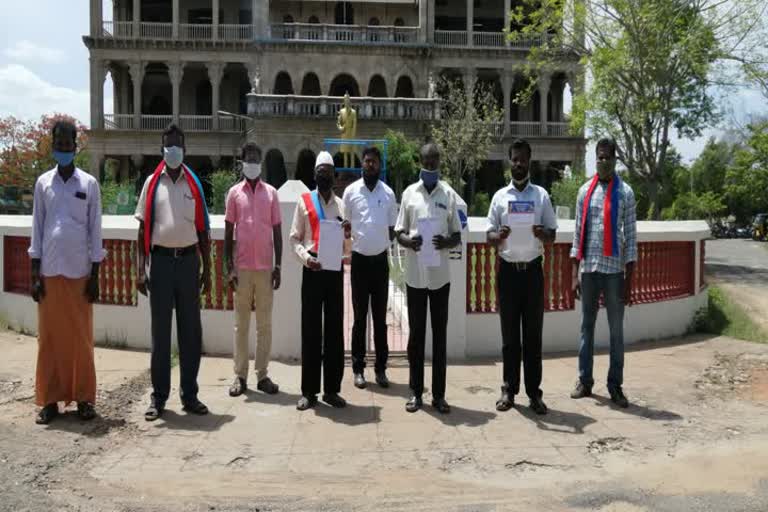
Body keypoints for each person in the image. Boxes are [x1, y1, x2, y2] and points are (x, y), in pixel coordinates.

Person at [28, 120, 105, 425]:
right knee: (48, 339)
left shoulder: (89, 184)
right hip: (49, 270)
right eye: (58, 143)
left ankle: (85, 398)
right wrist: (35, 274)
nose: (62, 148)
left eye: (67, 143)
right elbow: (37, 228)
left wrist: (96, 275)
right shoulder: (42, 184)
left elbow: (95, 230)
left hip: (80, 272)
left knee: (81, 339)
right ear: (53, 145)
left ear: (76, 146)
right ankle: (49, 400)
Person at [135, 124, 212, 421]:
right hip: (162, 264)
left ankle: (189, 395)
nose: (173, 149)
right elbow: (142, 229)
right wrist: (140, 271)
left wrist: (207, 269)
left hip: (190, 262)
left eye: (178, 144)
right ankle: (159, 398)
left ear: (185, 148)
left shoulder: (194, 184)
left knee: (191, 333)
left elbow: (203, 230)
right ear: (161, 149)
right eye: (169, 145)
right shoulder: (152, 184)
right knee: (161, 334)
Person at [486, 139, 557, 415]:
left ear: (529, 160)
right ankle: (508, 390)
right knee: (509, 337)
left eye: (522, 159)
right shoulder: (500, 197)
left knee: (533, 337)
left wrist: (543, 234)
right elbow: (488, 235)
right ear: (509, 161)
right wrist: (498, 236)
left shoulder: (541, 196)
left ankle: (534, 393)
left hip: (532, 273)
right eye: (514, 159)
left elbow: (553, 234)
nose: (518, 163)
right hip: (508, 273)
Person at [395, 143, 462, 414]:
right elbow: (398, 231)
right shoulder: (410, 194)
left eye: (435, 160)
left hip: (440, 278)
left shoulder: (448, 194)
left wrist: (446, 241)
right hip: (415, 278)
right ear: (420, 161)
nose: (431, 165)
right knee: (416, 337)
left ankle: (439, 395)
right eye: (426, 160)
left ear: (440, 162)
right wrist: (410, 242)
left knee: (440, 337)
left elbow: (457, 234)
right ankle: (415, 393)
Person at [570, 138, 637, 408]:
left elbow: (631, 239)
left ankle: (615, 385)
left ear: (615, 160)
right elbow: (577, 236)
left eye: (608, 157)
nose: (603, 161)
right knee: (586, 328)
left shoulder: (626, 193)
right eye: (599, 157)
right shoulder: (585, 191)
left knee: (616, 332)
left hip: (613, 273)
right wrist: (575, 273)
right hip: (589, 270)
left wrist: (629, 281)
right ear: (594, 159)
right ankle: (585, 381)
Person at [290, 151, 350, 411]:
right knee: (311, 330)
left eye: (328, 171)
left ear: (334, 176)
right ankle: (309, 391)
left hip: (334, 271)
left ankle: (332, 390)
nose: (324, 175)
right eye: (320, 171)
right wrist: (306, 259)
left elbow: (349, 247)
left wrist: (348, 235)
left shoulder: (342, 206)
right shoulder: (304, 202)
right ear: (315, 175)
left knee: (335, 331)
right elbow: (294, 239)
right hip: (313, 269)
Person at [224, 143, 282, 397]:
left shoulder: (271, 194)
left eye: (256, 158)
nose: (252, 162)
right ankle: (239, 376)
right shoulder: (234, 193)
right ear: (242, 162)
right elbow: (228, 232)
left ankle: (262, 375)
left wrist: (278, 265)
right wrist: (229, 267)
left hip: (265, 269)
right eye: (248, 158)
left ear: (261, 162)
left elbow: (278, 231)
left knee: (265, 325)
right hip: (243, 269)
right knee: (241, 325)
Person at [342, 146, 398, 389]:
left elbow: (392, 229)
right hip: (360, 262)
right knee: (359, 317)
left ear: (379, 164)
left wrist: (378, 241)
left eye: (374, 161)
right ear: (362, 164)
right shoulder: (351, 192)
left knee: (379, 319)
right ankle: (358, 369)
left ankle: (381, 370)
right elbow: (344, 225)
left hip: (380, 263)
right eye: (367, 161)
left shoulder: (388, 194)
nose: (370, 165)